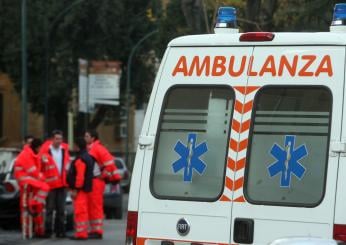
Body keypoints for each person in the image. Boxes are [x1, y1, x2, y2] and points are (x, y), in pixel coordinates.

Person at [84, 129, 122, 239]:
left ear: (93, 138)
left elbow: (109, 163)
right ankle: (94, 230)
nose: (85, 138)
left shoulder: (98, 148)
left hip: (96, 181)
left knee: (96, 206)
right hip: (93, 181)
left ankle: (98, 231)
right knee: (92, 206)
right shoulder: (92, 148)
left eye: (87, 136)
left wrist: (103, 175)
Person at [14, 138, 50, 238]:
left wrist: (44, 162)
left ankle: (39, 231)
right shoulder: (26, 154)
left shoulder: (35, 155)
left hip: (32, 184)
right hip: (26, 184)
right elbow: (32, 171)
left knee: (39, 208)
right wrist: (42, 177)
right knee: (27, 209)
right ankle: (27, 233)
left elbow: (39, 169)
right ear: (37, 147)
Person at [39, 130, 70, 238]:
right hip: (50, 185)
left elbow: (67, 166)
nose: (58, 141)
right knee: (49, 209)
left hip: (62, 184)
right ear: (52, 139)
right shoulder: (46, 151)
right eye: (56, 139)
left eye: (60, 139)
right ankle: (48, 231)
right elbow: (41, 169)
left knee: (61, 210)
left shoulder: (64, 150)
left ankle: (60, 231)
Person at [67, 138, 94, 240]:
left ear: (77, 146)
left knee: (80, 212)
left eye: (74, 145)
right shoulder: (86, 157)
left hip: (80, 191)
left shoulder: (80, 159)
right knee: (83, 211)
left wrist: (75, 190)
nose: (73, 147)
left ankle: (81, 234)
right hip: (84, 190)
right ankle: (82, 233)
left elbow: (80, 177)